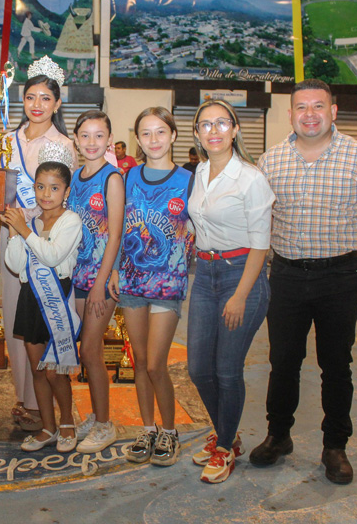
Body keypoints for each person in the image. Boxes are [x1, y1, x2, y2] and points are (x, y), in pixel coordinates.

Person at [251, 79, 357, 485]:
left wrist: (346, 236)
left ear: (333, 111)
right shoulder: (271, 160)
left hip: (339, 278)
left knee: (336, 365)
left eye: (318, 106)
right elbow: (261, 217)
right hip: (286, 277)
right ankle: (278, 435)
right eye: (302, 107)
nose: (310, 114)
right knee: (283, 362)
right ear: (290, 114)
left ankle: (335, 446)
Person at [185, 100, 274, 483]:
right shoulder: (200, 171)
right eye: (206, 125)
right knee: (198, 368)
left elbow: (261, 244)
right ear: (197, 134)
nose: (214, 130)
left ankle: (224, 446)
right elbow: (199, 221)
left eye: (222, 123)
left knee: (226, 370)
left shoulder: (251, 178)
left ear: (235, 129)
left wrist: (240, 295)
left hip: (242, 276)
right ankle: (226, 432)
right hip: (205, 274)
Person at [110, 106, 195, 468]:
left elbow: (200, 226)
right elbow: (117, 226)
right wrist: (115, 269)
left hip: (167, 283)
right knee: (140, 362)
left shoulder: (189, 180)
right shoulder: (128, 177)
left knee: (157, 363)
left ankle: (170, 431)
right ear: (138, 139)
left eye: (161, 131)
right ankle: (148, 429)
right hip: (131, 281)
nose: (154, 139)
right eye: (146, 133)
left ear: (173, 135)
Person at [0, 55, 79, 432]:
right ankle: (25, 396)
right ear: (23, 99)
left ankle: (43, 407)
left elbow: (64, 198)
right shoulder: (6, 141)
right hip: (13, 234)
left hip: (49, 238)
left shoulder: (65, 145)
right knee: (17, 321)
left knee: (46, 317)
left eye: (46, 98)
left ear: (57, 103)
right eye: (31, 97)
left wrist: (32, 220)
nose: (37, 104)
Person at [68, 111, 124, 453]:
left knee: (89, 349)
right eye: (85, 135)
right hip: (78, 273)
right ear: (75, 140)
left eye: (99, 135)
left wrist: (102, 281)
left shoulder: (112, 178)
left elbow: (115, 234)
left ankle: (105, 425)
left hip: (100, 278)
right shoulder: (75, 176)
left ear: (109, 140)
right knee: (88, 353)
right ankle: (97, 414)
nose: (92, 142)